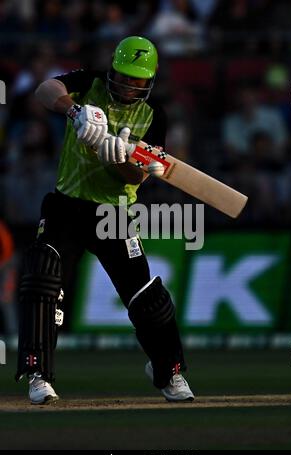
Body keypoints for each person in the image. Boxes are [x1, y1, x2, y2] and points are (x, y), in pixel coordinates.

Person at [15, 36, 194, 405]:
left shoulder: (154, 116)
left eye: (138, 81)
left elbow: (136, 177)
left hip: (114, 213)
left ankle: (169, 372)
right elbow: (45, 89)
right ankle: (39, 375)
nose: (129, 86)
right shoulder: (90, 83)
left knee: (147, 298)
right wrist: (74, 111)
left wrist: (112, 156)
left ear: (150, 81)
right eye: (124, 77)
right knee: (44, 280)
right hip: (67, 204)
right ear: (112, 70)